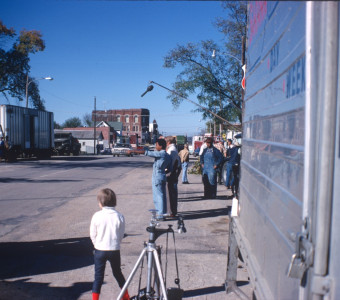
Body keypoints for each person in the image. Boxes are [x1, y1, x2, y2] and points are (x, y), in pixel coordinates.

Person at [90, 188, 130, 300]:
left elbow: (93, 233)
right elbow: (121, 234)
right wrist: (116, 243)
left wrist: (96, 244)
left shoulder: (97, 215)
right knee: (118, 273)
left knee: (98, 277)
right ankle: (126, 296)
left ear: (101, 203)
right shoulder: (119, 216)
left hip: (100, 249)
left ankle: (95, 298)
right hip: (114, 250)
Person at [145, 138, 172, 219]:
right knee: (162, 196)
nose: (156, 146)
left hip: (157, 177)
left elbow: (148, 153)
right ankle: (162, 213)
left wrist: (134, 151)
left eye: (156, 145)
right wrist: (163, 173)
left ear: (160, 146)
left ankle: (160, 215)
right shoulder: (168, 156)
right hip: (162, 176)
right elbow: (170, 169)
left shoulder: (161, 154)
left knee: (158, 196)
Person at [165, 136, 181, 217]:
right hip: (174, 172)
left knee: (171, 193)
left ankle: (172, 212)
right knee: (173, 192)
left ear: (168, 142)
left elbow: (169, 163)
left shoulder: (171, 150)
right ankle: (173, 211)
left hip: (171, 173)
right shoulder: (174, 149)